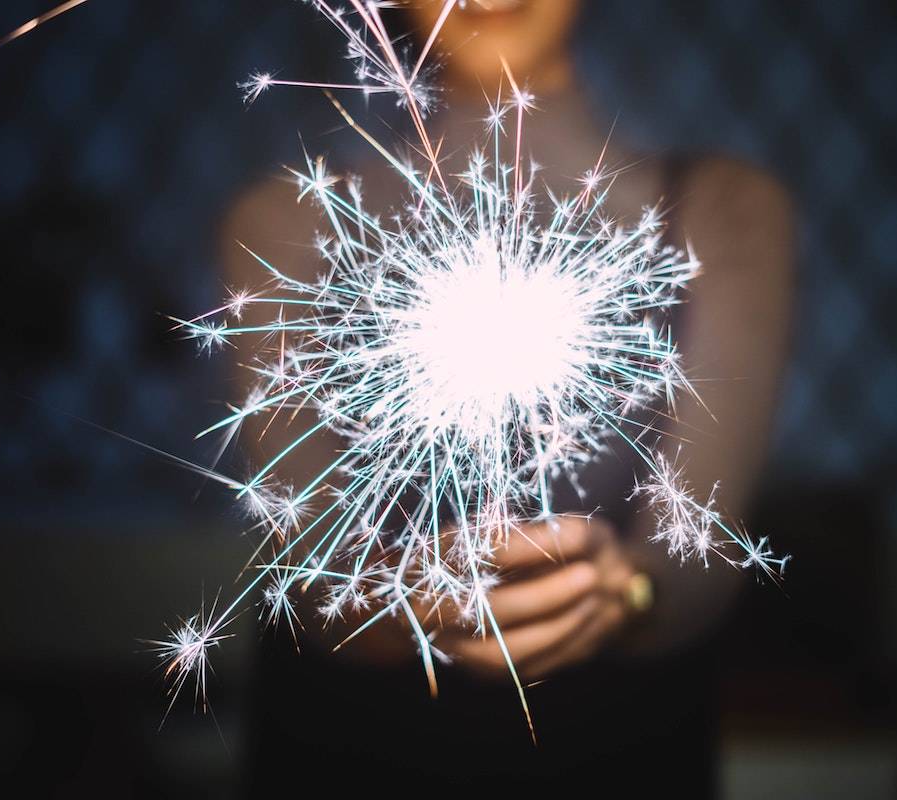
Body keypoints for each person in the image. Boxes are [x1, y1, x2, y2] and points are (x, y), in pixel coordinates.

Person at [225, 1, 794, 791]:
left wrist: (621, 591)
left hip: (616, 758)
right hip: (352, 757)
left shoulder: (727, 209)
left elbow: (699, 560)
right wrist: (398, 606)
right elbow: (314, 571)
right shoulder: (284, 222)